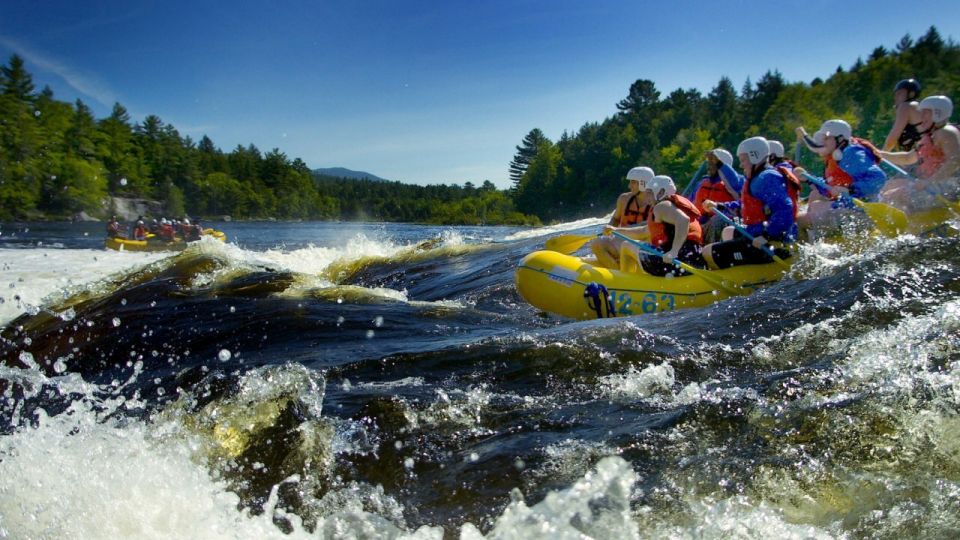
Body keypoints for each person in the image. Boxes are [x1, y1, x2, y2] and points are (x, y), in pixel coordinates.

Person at [702, 137, 799, 269]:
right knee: (728, 231)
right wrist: (720, 206)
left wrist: (767, 236)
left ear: (754, 156)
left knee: (707, 252)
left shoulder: (766, 178)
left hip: (770, 244)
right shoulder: (758, 177)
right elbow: (744, 205)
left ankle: (738, 279)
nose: (741, 165)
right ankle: (739, 269)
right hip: (757, 235)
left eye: (743, 160)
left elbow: (785, 208)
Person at [793, 119, 886, 234]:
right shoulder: (837, 156)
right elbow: (829, 188)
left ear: (840, 138)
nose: (823, 141)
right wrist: (807, 178)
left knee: (800, 220)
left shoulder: (851, 153)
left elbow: (878, 177)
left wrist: (850, 189)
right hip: (848, 208)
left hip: (861, 211)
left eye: (827, 137)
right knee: (813, 200)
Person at [879, 95, 960, 212]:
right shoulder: (930, 136)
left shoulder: (946, 132)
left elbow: (955, 160)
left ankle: (906, 226)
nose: (921, 117)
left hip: (948, 188)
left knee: (896, 194)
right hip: (935, 186)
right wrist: (877, 153)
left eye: (925, 113)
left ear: (938, 113)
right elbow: (907, 158)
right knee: (890, 185)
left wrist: (928, 182)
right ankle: (908, 222)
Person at [618, 175, 705, 276]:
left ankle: (626, 282)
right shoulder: (670, 207)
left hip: (677, 262)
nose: (647, 196)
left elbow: (683, 220)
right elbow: (644, 231)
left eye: (650, 192)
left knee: (626, 245)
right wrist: (615, 230)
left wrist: (674, 251)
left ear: (661, 192)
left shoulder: (661, 206)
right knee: (632, 243)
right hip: (693, 259)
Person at [590, 166, 655, 268]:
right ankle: (617, 272)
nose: (629, 186)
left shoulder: (656, 203)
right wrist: (609, 228)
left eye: (633, 182)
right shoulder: (623, 199)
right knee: (596, 243)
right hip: (621, 241)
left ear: (643, 183)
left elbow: (648, 228)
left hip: (643, 244)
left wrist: (617, 230)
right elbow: (615, 219)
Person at [693, 148, 740, 243]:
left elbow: (735, 183)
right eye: (708, 164)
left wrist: (721, 165)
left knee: (717, 221)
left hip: (722, 224)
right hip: (701, 222)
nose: (708, 167)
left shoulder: (733, 184)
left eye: (712, 164)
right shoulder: (702, 183)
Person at [883, 78, 924, 152]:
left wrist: (881, 156)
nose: (896, 97)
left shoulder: (906, 106)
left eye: (899, 93)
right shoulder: (918, 106)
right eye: (895, 94)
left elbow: (893, 137)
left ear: (911, 94)